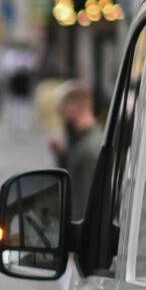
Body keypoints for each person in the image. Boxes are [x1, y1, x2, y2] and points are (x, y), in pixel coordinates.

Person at [57, 81, 102, 223]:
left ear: (72, 109)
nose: (62, 117)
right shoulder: (83, 141)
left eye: (62, 110)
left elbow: (86, 201)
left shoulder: (89, 148)